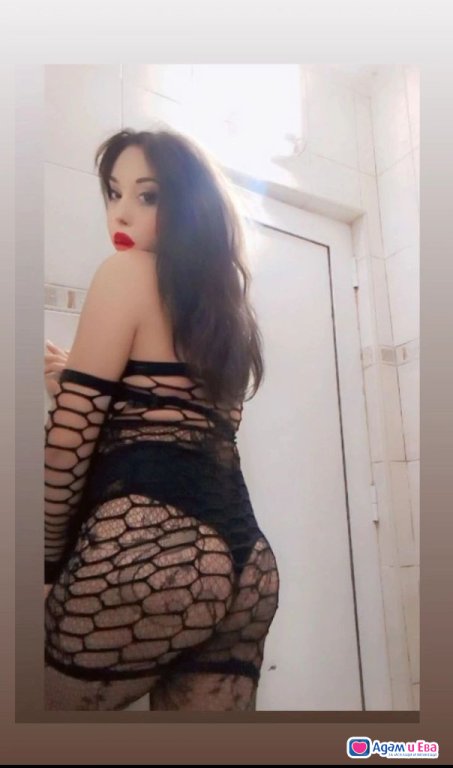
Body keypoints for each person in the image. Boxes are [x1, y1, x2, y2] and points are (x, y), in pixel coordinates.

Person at [44, 127, 280, 711]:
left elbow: (69, 446)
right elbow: (185, 430)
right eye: (113, 192)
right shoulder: (227, 309)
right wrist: (75, 381)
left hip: (148, 550)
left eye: (147, 196)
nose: (120, 213)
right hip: (249, 564)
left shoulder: (124, 272)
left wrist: (46, 565)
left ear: (188, 207)